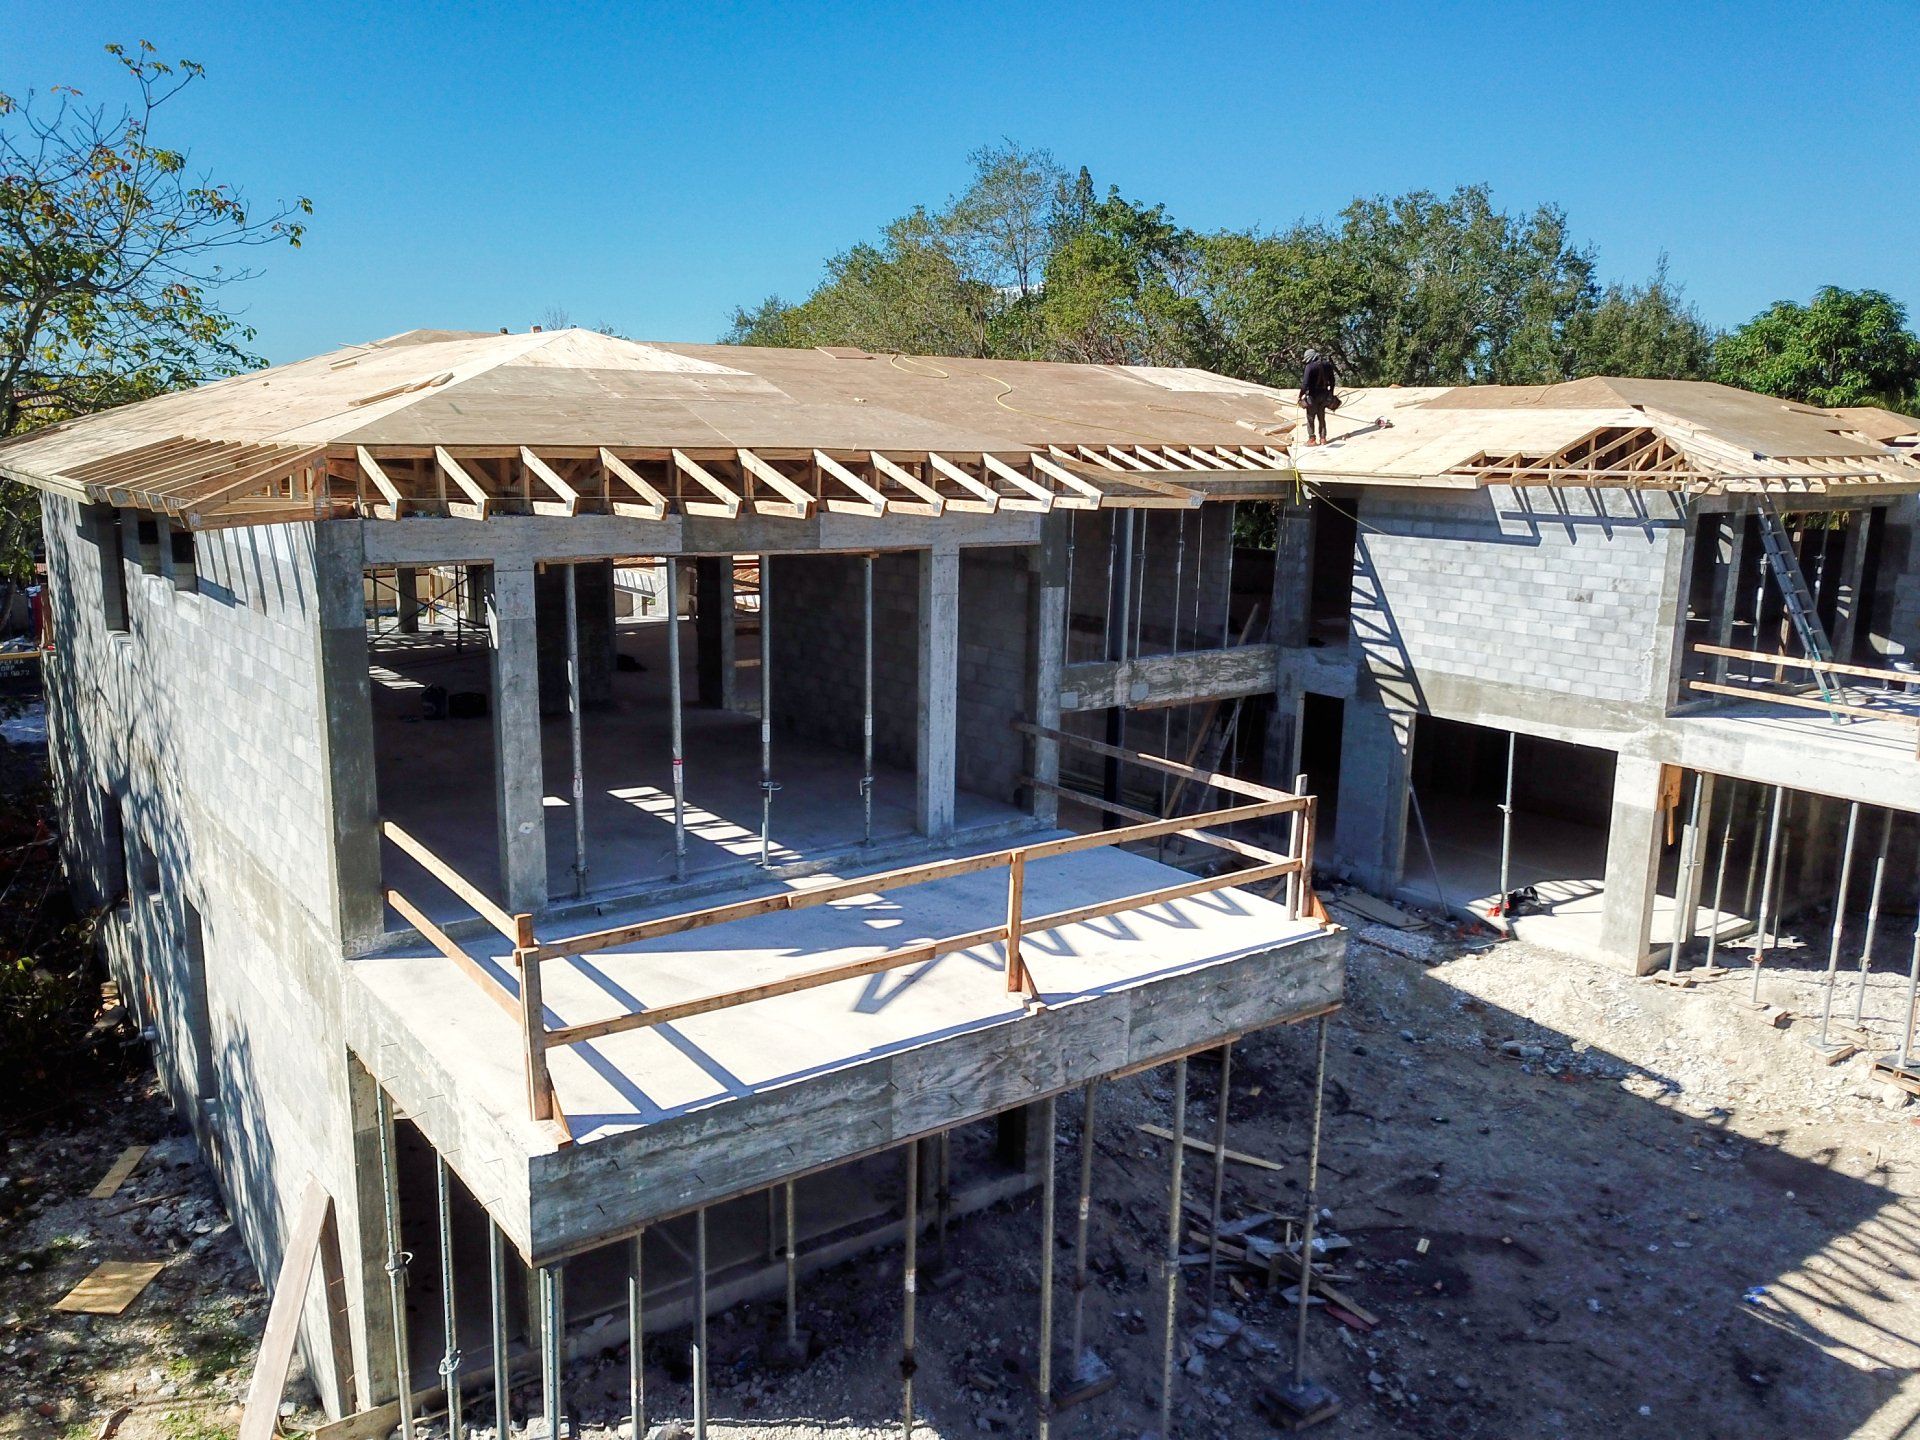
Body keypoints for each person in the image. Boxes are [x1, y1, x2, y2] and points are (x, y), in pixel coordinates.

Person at [1299, 348, 1338, 445]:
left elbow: (1305, 384)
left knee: (1310, 417)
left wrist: (1300, 396)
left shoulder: (1310, 367)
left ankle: (1312, 439)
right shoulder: (1327, 364)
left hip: (1312, 396)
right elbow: (1332, 381)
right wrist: (1331, 394)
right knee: (1321, 417)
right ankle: (1323, 439)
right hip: (1324, 395)